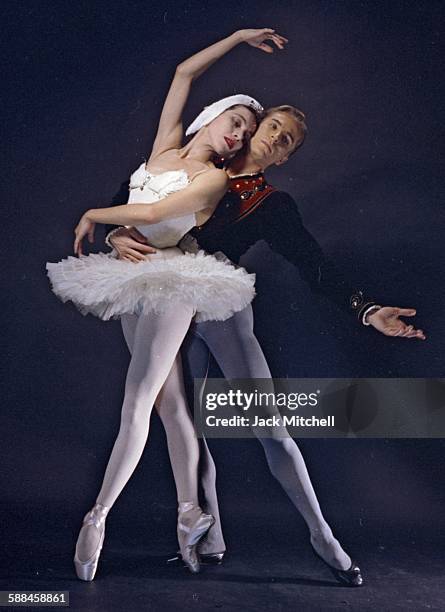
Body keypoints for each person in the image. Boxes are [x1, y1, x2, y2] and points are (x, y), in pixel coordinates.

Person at [106, 109, 425, 588]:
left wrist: (366, 308)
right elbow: (126, 202)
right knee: (189, 426)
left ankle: (323, 537)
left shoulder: (272, 204)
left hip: (219, 306)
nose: (276, 137)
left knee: (270, 428)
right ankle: (206, 542)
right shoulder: (188, 162)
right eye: (273, 125)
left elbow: (312, 263)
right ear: (254, 127)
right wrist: (114, 234)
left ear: (287, 155)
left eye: (288, 139)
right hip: (166, 301)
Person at [46, 28, 288, 580]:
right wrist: (237, 38)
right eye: (236, 123)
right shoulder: (166, 149)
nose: (238, 136)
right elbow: (183, 74)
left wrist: (95, 217)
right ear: (214, 116)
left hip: (172, 282)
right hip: (131, 277)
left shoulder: (211, 181)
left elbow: (153, 219)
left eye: (247, 133)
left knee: (138, 400)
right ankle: (188, 515)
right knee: (169, 405)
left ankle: (97, 517)